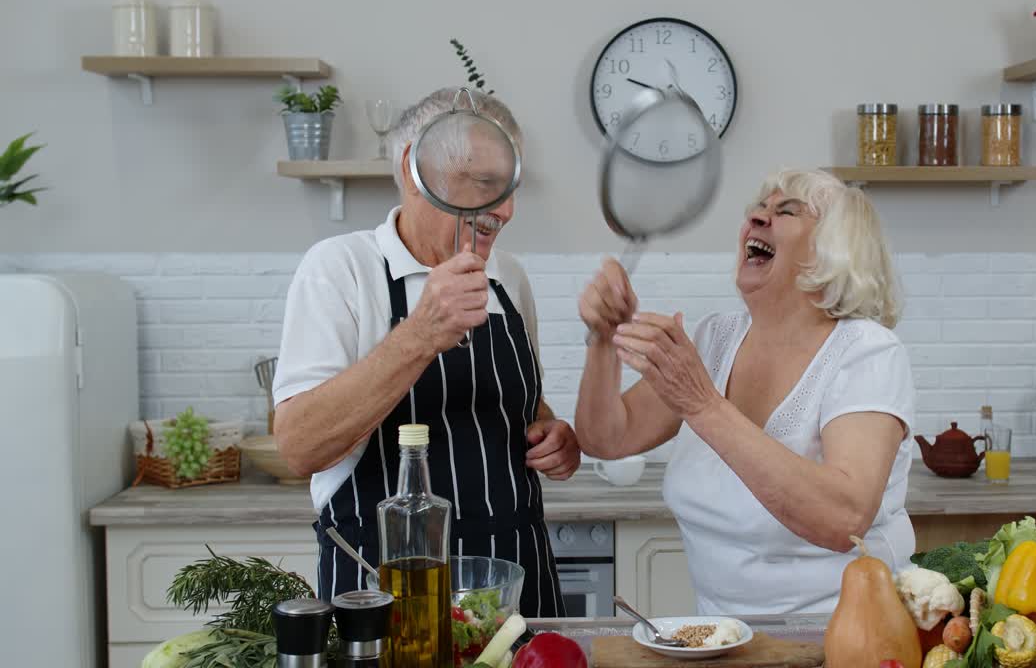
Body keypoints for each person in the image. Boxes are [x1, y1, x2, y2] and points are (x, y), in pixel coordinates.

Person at [272, 87, 578, 616]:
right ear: (416, 169)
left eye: (508, 186)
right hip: (385, 596)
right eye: (484, 184)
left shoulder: (509, 277)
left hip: (517, 589)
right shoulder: (342, 269)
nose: (504, 209)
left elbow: (519, 406)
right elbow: (299, 446)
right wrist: (419, 334)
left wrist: (553, 434)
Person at [575, 168, 915, 615]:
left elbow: (844, 520)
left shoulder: (867, 352)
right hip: (725, 640)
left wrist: (702, 404)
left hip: (845, 636)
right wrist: (603, 340)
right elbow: (606, 438)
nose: (757, 218)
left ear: (833, 250)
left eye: (785, 211)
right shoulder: (715, 338)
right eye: (757, 209)